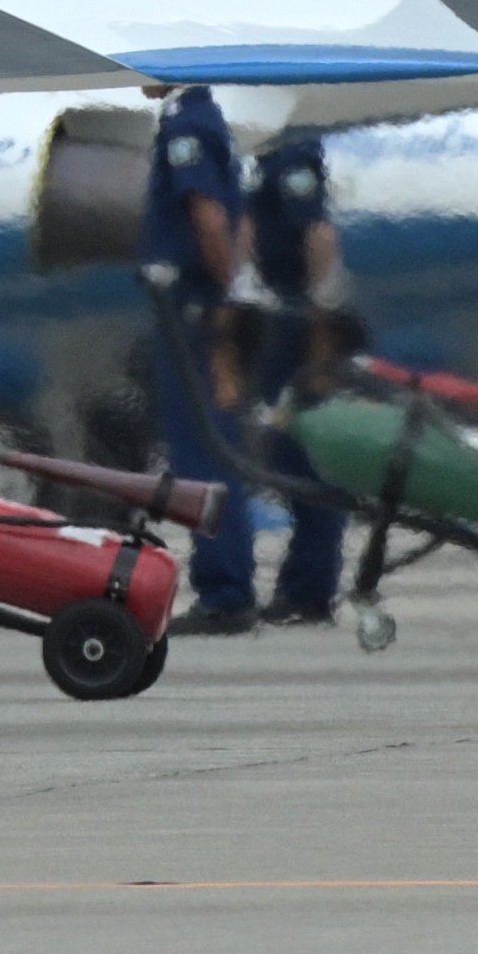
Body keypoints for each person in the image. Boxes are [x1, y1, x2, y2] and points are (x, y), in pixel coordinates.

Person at [138, 83, 264, 633]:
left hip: (192, 310)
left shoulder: (187, 125)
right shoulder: (201, 119)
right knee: (209, 446)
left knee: (203, 451)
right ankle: (227, 584)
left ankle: (225, 589)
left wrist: (223, 297)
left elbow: (209, 219)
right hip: (199, 306)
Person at [239, 126, 353, 624]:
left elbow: (317, 232)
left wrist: (321, 315)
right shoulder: (272, 151)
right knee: (291, 459)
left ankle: (310, 589)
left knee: (308, 459)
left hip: (298, 324)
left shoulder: (292, 149)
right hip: (286, 319)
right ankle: (302, 583)